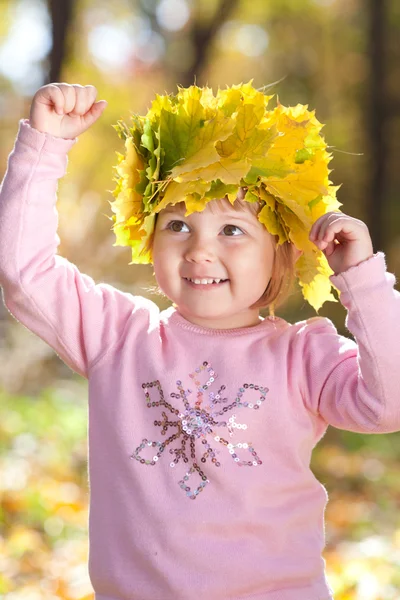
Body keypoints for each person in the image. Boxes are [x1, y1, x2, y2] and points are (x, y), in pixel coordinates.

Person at [0, 82, 399, 600]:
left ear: (280, 253)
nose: (200, 251)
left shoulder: (304, 355)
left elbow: (388, 404)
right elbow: (23, 272)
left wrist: (363, 280)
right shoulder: (118, 336)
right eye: (178, 224)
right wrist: (44, 146)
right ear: (148, 236)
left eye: (232, 231)